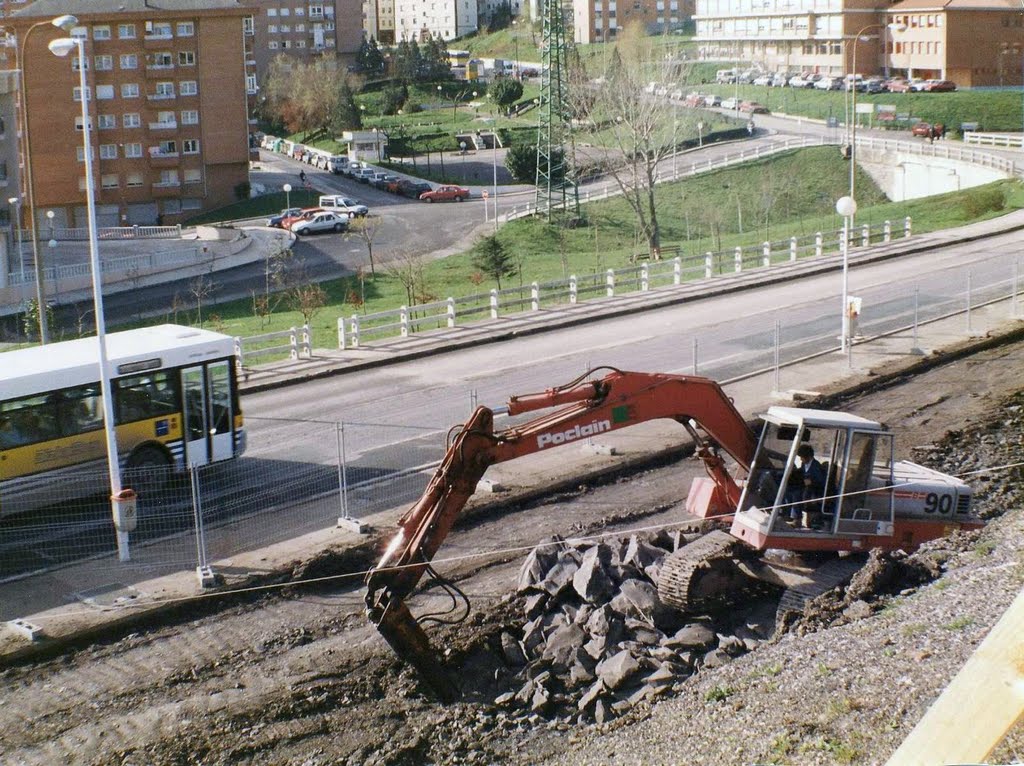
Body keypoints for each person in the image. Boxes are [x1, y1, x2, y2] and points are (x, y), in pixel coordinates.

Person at [788, 444, 826, 528]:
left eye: (802, 457)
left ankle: (797, 519)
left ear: (808, 456)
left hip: (814, 491)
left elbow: (820, 481)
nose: (801, 459)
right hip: (805, 488)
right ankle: (788, 514)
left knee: (796, 494)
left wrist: (810, 481)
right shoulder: (804, 464)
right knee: (791, 490)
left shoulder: (816, 467)